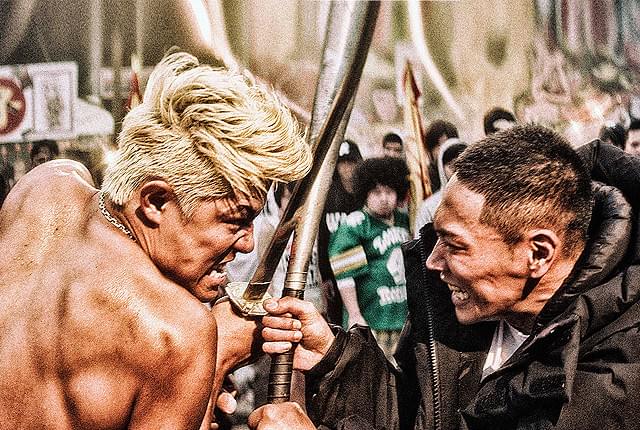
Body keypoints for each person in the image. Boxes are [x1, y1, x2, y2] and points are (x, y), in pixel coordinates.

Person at [252, 124, 640, 429]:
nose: (433, 262)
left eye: (455, 245)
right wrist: (336, 360)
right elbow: (414, 414)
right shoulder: (460, 313)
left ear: (537, 253)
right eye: (436, 238)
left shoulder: (618, 376)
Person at [0, 51, 312, 429]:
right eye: (235, 221)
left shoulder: (46, 186)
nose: (248, 244)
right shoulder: (179, 334)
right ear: (156, 201)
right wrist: (214, 358)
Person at [329, 157, 410, 358]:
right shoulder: (355, 225)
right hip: (371, 319)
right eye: (376, 192)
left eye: (389, 192)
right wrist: (355, 314)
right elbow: (345, 277)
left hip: (402, 318)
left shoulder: (405, 220)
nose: (384, 198)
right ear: (365, 193)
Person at [317, 139, 363, 325]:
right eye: (342, 163)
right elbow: (323, 238)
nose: (347, 168)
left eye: (351, 162)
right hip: (335, 269)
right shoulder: (329, 197)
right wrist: (325, 276)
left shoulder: (365, 195)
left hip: (362, 270)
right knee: (337, 320)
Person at [413, 137, 468, 236]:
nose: (457, 171)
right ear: (441, 168)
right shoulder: (430, 207)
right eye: (452, 166)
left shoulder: (479, 199)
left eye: (462, 165)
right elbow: (419, 240)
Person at [423, 119, 458, 193]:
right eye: (440, 145)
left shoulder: (462, 174)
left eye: (449, 143)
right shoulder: (424, 181)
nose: (445, 148)